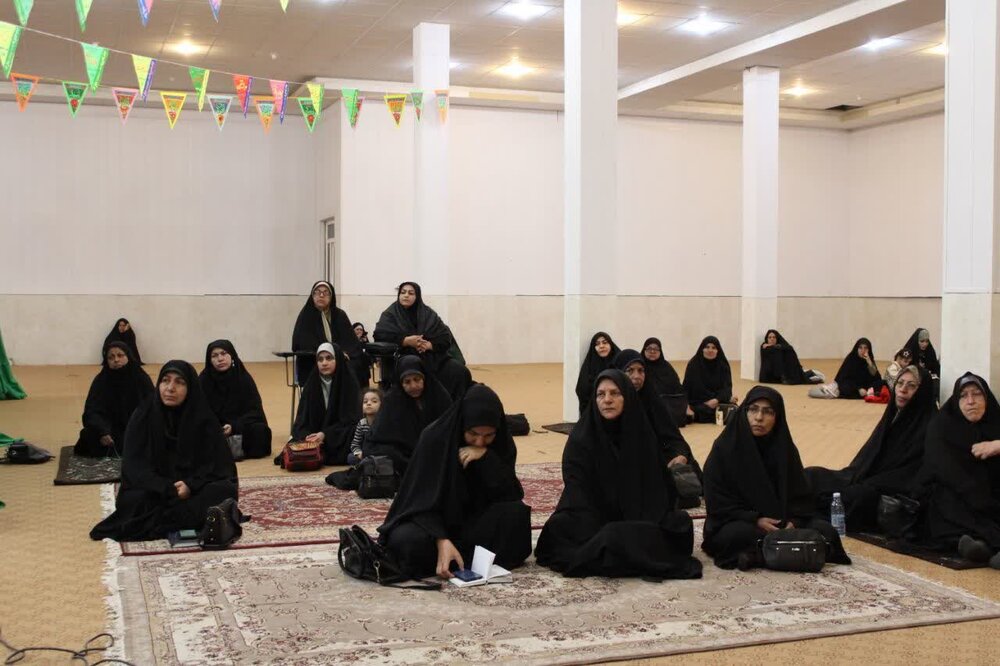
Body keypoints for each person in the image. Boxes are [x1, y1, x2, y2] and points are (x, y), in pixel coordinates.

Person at [535, 370, 702, 579]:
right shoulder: (581, 438)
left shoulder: (642, 434)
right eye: (601, 394)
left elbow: (657, 488)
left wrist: (638, 514)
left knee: (679, 523)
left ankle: (613, 550)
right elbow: (577, 490)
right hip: (593, 517)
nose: (607, 400)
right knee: (560, 528)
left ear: (627, 397)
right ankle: (620, 549)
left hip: (638, 517)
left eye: (615, 393)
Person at [379, 384, 532, 579]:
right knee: (406, 541)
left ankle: (457, 559)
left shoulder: (501, 444)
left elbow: (510, 493)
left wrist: (487, 459)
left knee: (516, 513)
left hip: (474, 524)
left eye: (488, 436)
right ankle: (458, 556)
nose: (479, 442)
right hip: (432, 522)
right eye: (473, 434)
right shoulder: (434, 438)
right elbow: (419, 501)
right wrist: (440, 538)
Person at [701, 386, 851, 570]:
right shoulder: (725, 448)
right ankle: (787, 551)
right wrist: (756, 519)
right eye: (753, 409)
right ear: (744, 412)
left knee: (826, 531)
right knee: (736, 536)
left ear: (777, 417)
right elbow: (717, 500)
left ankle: (763, 554)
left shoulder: (784, 449)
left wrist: (794, 521)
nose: (759, 418)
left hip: (782, 521)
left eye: (768, 412)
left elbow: (800, 496)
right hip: (743, 521)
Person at [90, 360, 238, 542]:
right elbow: (134, 468)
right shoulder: (143, 416)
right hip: (156, 490)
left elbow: (219, 467)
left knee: (223, 490)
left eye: (179, 382)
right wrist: (167, 488)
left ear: (191, 388)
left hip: (192, 489)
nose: (170, 388)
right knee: (136, 499)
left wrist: (191, 485)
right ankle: (190, 518)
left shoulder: (204, 419)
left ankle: (172, 518)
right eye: (165, 381)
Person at [805, 365, 936, 532]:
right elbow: (869, 456)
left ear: (922, 391)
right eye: (900, 383)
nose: (903, 390)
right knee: (813, 475)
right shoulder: (893, 415)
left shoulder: (930, 426)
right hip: (865, 475)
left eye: (911, 386)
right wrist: (854, 476)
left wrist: (871, 482)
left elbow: (913, 473)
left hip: (890, 489)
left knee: (856, 497)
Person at [912, 373, 1000, 568]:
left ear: (987, 398)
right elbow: (942, 467)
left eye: (977, 394)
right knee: (947, 500)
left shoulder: (996, 421)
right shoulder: (941, 425)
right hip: (960, 493)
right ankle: (981, 545)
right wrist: (975, 493)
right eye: (963, 395)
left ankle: (984, 547)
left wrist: (997, 445)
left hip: (993, 497)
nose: (971, 401)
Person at [614, 349, 701, 477]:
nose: (637, 376)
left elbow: (673, 438)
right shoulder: (610, 404)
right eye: (630, 370)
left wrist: (680, 455)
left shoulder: (652, 400)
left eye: (641, 370)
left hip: (653, 459)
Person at [363, 356, 452, 475]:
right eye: (407, 382)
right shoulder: (392, 400)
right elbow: (381, 434)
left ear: (424, 379)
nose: (413, 386)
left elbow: (449, 427)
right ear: (401, 383)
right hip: (404, 451)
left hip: (432, 447)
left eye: (417, 379)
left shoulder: (439, 396)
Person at [74, 341, 154, 457]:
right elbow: (91, 411)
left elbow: (152, 406)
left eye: (120, 355)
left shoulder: (141, 378)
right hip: (110, 430)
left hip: (135, 427)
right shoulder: (101, 380)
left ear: (128, 356)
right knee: (88, 436)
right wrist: (102, 431)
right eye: (111, 357)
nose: (116, 360)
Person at [288, 342, 361, 466]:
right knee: (297, 439)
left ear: (337, 359)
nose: (324, 363)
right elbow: (302, 420)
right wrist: (308, 437)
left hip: (338, 435)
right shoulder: (312, 384)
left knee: (355, 432)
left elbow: (351, 420)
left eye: (329, 358)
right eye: (320, 359)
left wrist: (325, 434)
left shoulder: (349, 382)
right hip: (315, 436)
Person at [199, 340, 273, 460]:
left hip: (240, 427)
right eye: (214, 355)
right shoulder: (203, 381)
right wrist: (217, 427)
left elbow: (255, 412)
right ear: (209, 360)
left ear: (232, 355)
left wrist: (234, 426)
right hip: (216, 429)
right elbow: (199, 412)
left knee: (260, 431)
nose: (220, 359)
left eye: (224, 353)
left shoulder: (243, 379)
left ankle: (226, 451)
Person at [291, 280, 366, 388]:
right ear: (312, 296)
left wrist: (342, 354)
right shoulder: (306, 316)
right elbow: (302, 344)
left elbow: (350, 342)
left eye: (326, 292)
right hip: (315, 360)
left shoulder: (339, 315)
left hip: (340, 360)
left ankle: (352, 398)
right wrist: (332, 354)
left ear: (331, 297)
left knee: (358, 364)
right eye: (317, 292)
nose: (321, 295)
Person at [682, 336, 738, 423]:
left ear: (718, 350)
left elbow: (727, 388)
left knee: (735, 409)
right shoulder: (693, 365)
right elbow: (686, 388)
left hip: (716, 402)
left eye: (714, 348)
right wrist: (686, 405)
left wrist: (717, 400)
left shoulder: (723, 366)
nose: (710, 350)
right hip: (697, 402)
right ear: (702, 349)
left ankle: (699, 415)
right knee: (686, 409)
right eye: (707, 347)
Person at [809, 338, 882, 400]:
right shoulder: (851, 359)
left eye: (865, 348)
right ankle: (865, 393)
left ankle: (868, 392)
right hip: (853, 386)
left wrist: (870, 363)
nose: (863, 350)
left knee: (882, 383)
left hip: (866, 386)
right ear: (857, 349)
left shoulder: (869, 359)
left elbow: (876, 377)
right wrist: (858, 388)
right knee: (845, 387)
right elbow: (843, 378)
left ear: (869, 349)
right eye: (860, 348)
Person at [641, 337, 687, 426]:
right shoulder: (640, 367)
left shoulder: (666, 367)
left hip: (667, 401)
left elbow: (678, 389)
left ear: (660, 351)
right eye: (649, 349)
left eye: (656, 349)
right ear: (644, 350)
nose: (652, 352)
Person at [574, 332, 621, 416]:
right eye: (597, 344)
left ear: (611, 345)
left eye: (605, 342)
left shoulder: (620, 363)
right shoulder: (589, 367)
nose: (601, 346)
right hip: (594, 413)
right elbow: (582, 390)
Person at [758, 329, 823, 385]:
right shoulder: (764, 347)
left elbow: (789, 348)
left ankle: (806, 374)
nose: (772, 339)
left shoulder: (780, 346)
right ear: (767, 339)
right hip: (769, 376)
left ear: (777, 338)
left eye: (774, 337)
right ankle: (808, 373)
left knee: (787, 351)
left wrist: (774, 346)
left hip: (782, 374)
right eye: (769, 337)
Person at [347, 387, 382, 465]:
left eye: (374, 401)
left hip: (379, 454)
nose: (368, 403)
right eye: (365, 401)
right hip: (365, 454)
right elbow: (355, 444)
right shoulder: (362, 423)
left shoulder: (383, 422)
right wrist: (359, 453)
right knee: (350, 457)